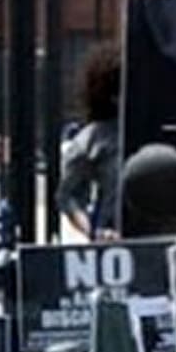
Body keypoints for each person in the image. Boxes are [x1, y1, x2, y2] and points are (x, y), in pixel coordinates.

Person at [56, 42, 122, 241]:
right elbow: (68, 195)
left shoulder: (163, 129)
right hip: (113, 236)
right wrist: (92, 231)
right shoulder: (93, 139)